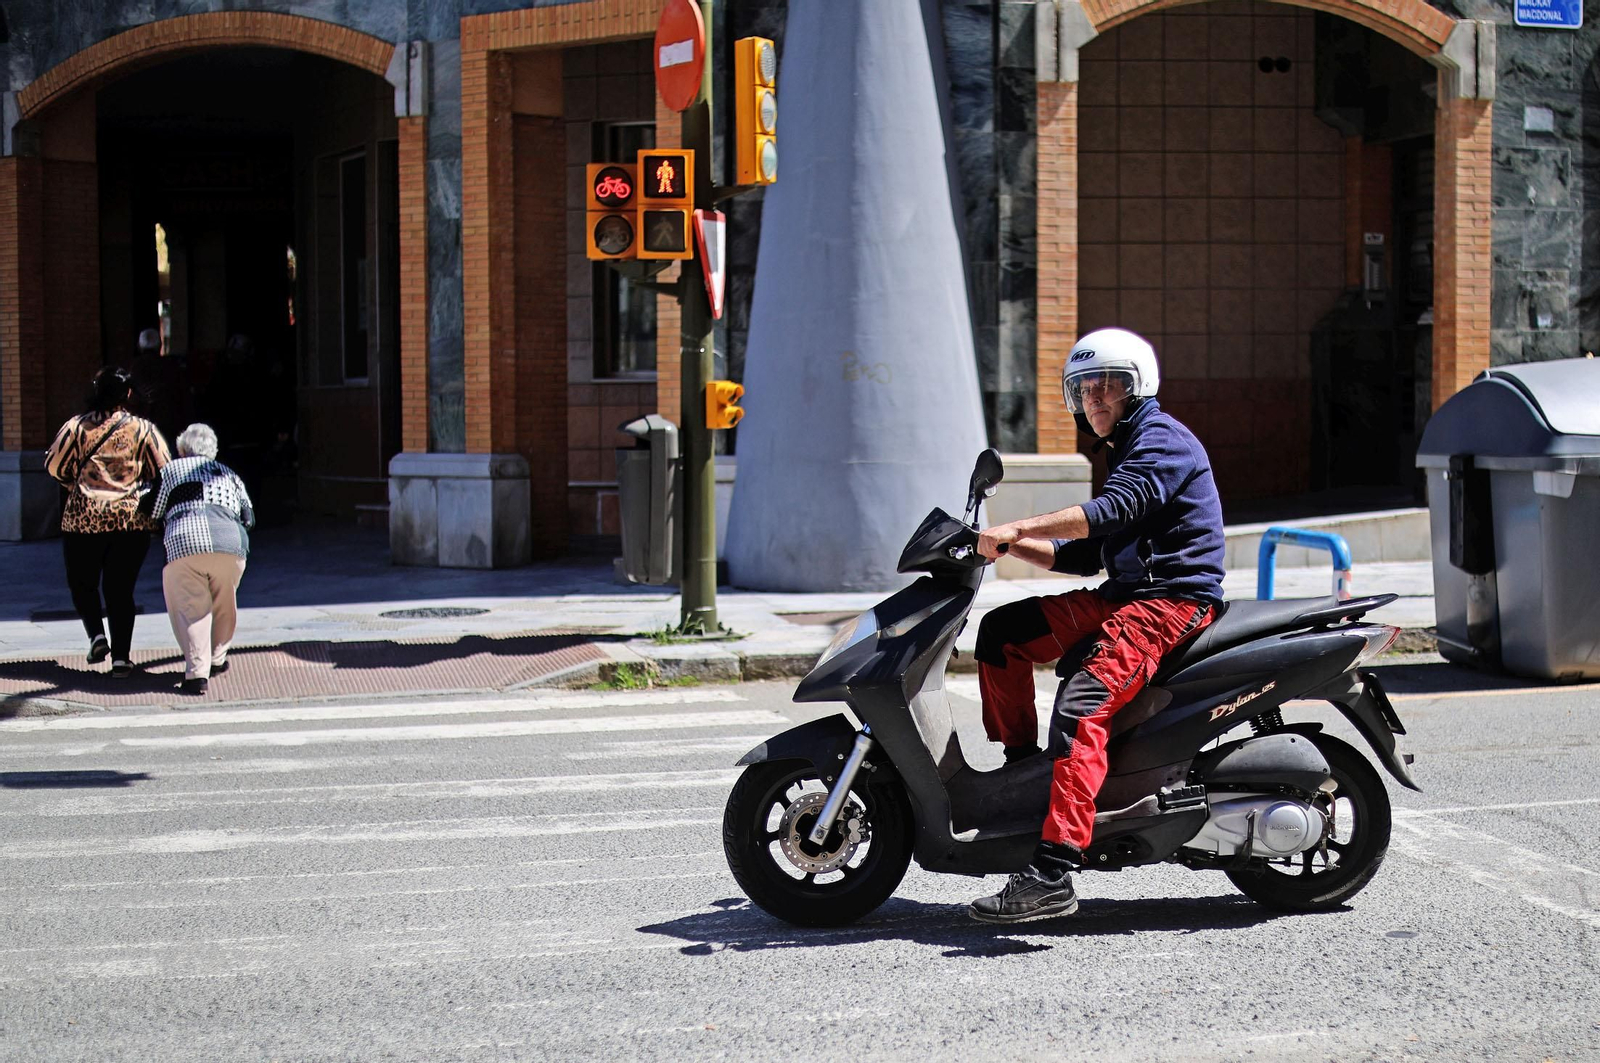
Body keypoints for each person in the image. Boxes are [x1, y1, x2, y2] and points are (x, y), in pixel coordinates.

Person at [967, 328, 1227, 924]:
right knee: (1003, 634)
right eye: (1084, 389)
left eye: (1108, 386)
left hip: (1171, 602)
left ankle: (1053, 872)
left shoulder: (1161, 441)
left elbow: (1111, 513)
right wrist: (1012, 546)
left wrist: (1017, 527)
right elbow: (1089, 553)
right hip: (1126, 594)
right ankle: (1021, 774)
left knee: (1082, 703)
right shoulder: (1125, 450)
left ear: (1138, 388)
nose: (1094, 399)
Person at [44, 366, 172, 677]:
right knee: (120, 590)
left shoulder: (75, 428)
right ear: (128, 395)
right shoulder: (143, 430)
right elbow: (164, 470)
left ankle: (97, 636)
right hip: (129, 522)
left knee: (82, 583)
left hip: (83, 522)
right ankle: (121, 660)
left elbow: (54, 466)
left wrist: (75, 484)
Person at [150, 423, 255, 696]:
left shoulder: (170, 471)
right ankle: (218, 659)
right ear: (213, 450)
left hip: (185, 545)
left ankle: (197, 674)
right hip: (231, 544)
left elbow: (152, 511)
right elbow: (249, 517)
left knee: (191, 609)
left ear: (182, 449)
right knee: (224, 602)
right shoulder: (229, 474)